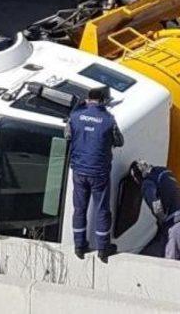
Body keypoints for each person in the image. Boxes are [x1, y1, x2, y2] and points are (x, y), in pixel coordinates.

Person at [65, 87, 123, 261]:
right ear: (104, 100)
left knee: (79, 209)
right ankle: (103, 249)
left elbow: (67, 135)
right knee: (102, 210)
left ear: (87, 99)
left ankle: (79, 246)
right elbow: (119, 141)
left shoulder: (74, 117)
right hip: (99, 172)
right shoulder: (108, 120)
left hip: (79, 170)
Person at [130, 162, 180, 261]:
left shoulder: (147, 183)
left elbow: (156, 207)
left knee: (169, 264)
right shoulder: (163, 171)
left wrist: (162, 221)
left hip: (175, 224)